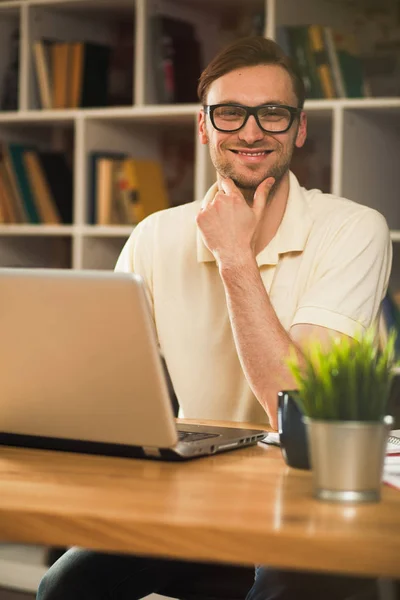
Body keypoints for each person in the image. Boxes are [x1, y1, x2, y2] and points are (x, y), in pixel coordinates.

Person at [37, 36, 391, 600]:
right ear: (203, 126)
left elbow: (296, 402)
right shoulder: (155, 234)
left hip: (309, 495)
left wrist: (235, 256)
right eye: (230, 113)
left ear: (298, 129)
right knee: (64, 587)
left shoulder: (354, 230)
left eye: (272, 113)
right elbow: (94, 380)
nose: (251, 132)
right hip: (191, 494)